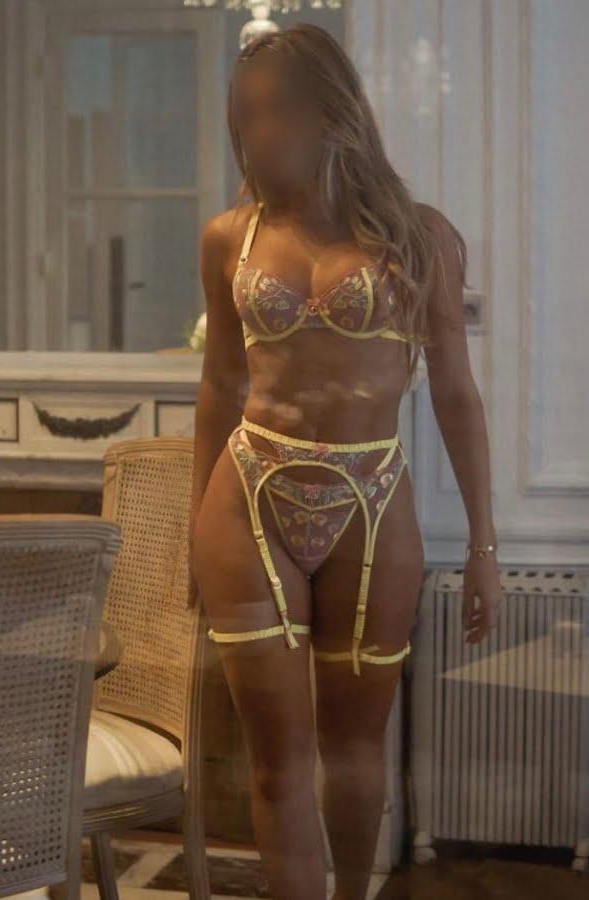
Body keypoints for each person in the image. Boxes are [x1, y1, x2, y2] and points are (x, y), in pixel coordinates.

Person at [189, 23, 502, 900]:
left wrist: (484, 546)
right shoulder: (229, 238)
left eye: (278, 112)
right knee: (277, 763)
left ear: (334, 112)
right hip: (249, 496)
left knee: (357, 748)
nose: (261, 134)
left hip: (372, 498)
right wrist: (188, 530)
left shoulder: (420, 239)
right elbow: (219, 385)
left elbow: (456, 395)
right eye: (247, 116)